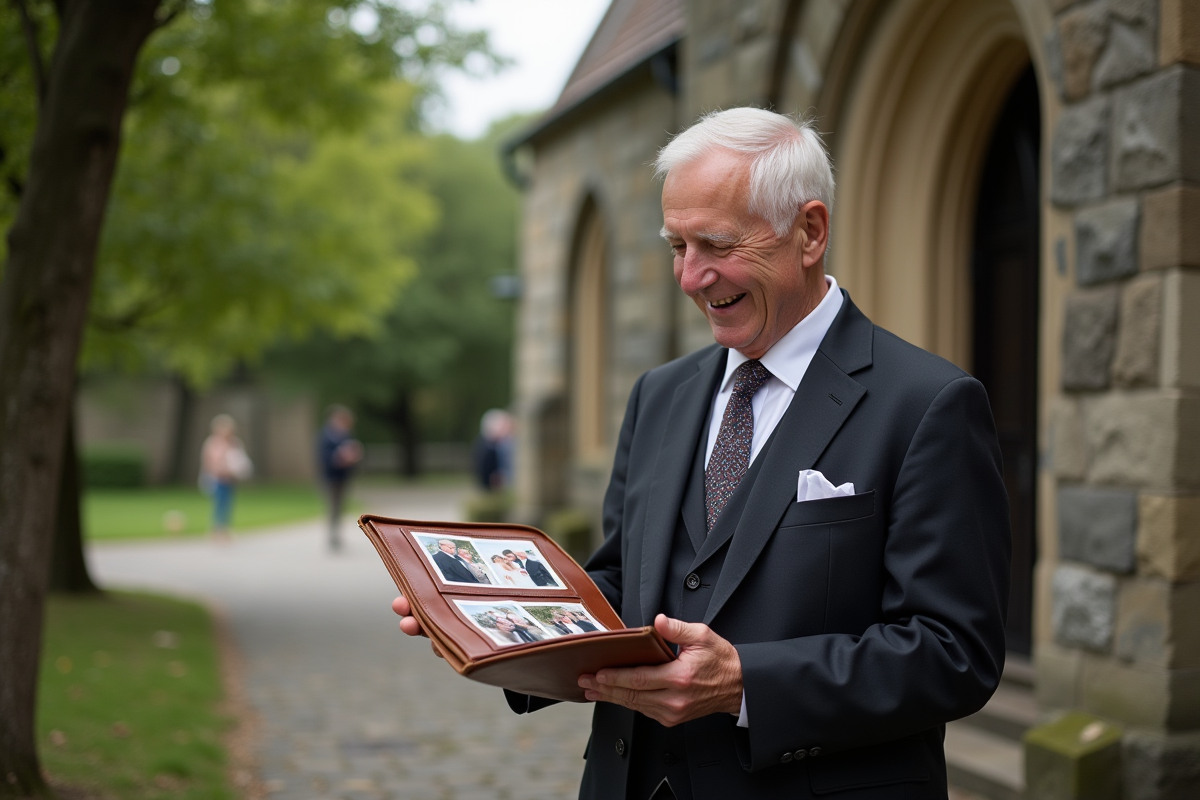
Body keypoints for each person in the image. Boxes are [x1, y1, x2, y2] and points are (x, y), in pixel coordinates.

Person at [394, 108, 1010, 800]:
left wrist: (746, 683)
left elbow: (956, 654)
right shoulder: (659, 394)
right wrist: (495, 624)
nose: (690, 277)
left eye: (715, 244)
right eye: (676, 246)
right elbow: (628, 584)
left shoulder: (929, 403)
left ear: (810, 232)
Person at [199, 414, 252, 541]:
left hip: (229, 479)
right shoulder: (213, 443)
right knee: (219, 504)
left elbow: (240, 461)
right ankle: (216, 529)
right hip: (217, 479)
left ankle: (225, 529)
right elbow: (209, 462)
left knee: (227, 504)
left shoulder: (235, 443)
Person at [317, 405, 363, 552]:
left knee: (340, 506)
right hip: (331, 476)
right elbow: (323, 456)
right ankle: (332, 535)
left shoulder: (345, 435)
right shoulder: (326, 435)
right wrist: (339, 456)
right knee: (332, 506)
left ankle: (337, 533)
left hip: (343, 475)